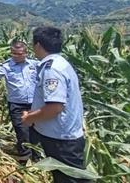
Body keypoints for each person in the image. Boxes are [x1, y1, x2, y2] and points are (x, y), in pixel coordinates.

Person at [22, 27, 89, 183]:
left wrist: (29, 117)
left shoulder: (52, 70)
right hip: (61, 135)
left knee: (71, 179)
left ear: (37, 45)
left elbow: (55, 108)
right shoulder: (60, 62)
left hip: (62, 139)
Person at [0, 41, 38, 160]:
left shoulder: (34, 65)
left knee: (35, 131)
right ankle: (25, 158)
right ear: (11, 53)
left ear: (26, 53)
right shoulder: (6, 67)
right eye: (15, 54)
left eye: (20, 53)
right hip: (17, 105)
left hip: (34, 103)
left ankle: (37, 156)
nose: (17, 56)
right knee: (22, 131)